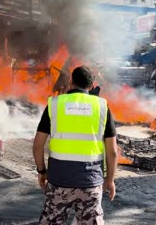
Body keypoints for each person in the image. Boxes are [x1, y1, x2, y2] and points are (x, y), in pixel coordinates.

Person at [33, 66, 118, 225]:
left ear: (71, 83)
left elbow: (37, 145)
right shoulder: (101, 107)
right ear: (93, 86)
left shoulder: (55, 104)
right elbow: (112, 151)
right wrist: (110, 180)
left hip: (59, 181)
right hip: (90, 182)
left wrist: (42, 171)